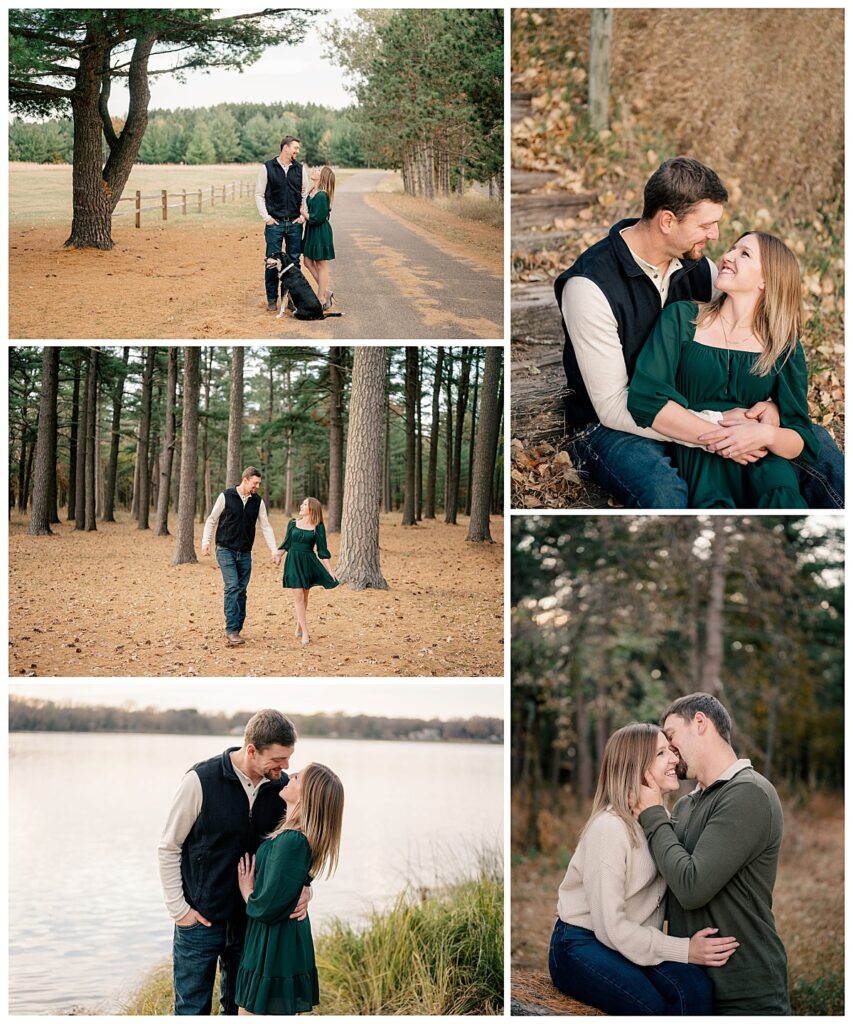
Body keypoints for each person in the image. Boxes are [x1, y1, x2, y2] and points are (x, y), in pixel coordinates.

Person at [554, 156, 844, 508]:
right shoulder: (589, 287)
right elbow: (614, 406)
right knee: (664, 492)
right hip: (612, 424)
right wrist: (720, 428)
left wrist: (771, 409)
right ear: (667, 221)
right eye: (707, 225)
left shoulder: (698, 268)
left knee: (822, 450)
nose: (716, 236)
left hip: (689, 406)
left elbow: (744, 319)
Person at [549, 723, 734, 1014]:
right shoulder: (610, 828)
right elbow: (611, 928)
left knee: (696, 990)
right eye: (662, 753)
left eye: (671, 750)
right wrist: (684, 949)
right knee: (650, 1008)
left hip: (630, 941)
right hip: (583, 943)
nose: (674, 758)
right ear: (636, 767)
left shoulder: (658, 822)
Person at [627, 232, 816, 506]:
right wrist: (726, 435)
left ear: (767, 280)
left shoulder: (783, 346)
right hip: (702, 457)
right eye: (732, 249)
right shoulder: (681, 318)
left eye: (745, 254)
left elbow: (801, 438)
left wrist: (765, 434)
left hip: (764, 463)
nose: (727, 256)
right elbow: (646, 400)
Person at [635, 693, 789, 1015]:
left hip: (744, 994)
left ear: (701, 723)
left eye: (671, 736)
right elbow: (665, 885)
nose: (670, 753)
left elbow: (691, 887)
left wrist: (652, 814)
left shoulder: (749, 792)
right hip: (689, 989)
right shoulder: (686, 804)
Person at [158, 710, 311, 1016]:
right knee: (191, 1009)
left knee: (238, 1009)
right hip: (200, 921)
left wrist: (305, 885)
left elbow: (296, 842)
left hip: (250, 924)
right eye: (279, 759)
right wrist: (180, 910)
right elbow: (168, 847)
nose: (286, 767)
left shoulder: (281, 789)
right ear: (252, 750)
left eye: (289, 757)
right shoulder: (201, 780)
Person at [235, 763, 344, 1015]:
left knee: (251, 1014)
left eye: (298, 777)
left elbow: (266, 907)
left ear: (308, 796)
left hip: (274, 941)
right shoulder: (292, 835)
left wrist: (246, 888)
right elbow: (294, 881)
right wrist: (306, 889)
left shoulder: (293, 841)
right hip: (274, 935)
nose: (291, 775)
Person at [202, 467, 280, 646]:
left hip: (245, 552)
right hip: (225, 549)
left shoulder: (258, 502)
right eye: (255, 483)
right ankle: (231, 630)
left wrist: (274, 550)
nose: (257, 487)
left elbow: (266, 526)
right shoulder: (226, 496)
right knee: (232, 587)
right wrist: (205, 542)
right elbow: (212, 520)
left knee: (241, 591)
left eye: (259, 483)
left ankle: (238, 626)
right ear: (245, 480)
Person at [256, 135, 309, 312]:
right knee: (272, 262)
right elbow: (259, 194)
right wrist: (266, 218)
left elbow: (305, 195)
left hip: (295, 224)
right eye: (295, 148)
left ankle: (292, 299)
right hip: (275, 224)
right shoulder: (267, 167)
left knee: (294, 262)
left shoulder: (300, 169)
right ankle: (272, 299)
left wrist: (302, 217)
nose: (297, 151)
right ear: (285, 148)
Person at [276, 497, 339, 647]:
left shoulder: (318, 527)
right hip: (293, 562)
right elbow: (286, 543)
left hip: (308, 563)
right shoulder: (292, 524)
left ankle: (299, 623)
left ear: (312, 509)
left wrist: (330, 571)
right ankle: (305, 632)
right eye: (302, 503)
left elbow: (322, 551)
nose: (301, 506)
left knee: (304, 596)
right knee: (298, 596)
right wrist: (278, 555)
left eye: (305, 504)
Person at [302, 165, 336, 310]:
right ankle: (326, 292)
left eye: (319, 171)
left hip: (320, 232)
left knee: (321, 264)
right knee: (307, 261)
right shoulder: (312, 191)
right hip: (311, 231)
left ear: (322, 177)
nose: (315, 171)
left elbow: (317, 218)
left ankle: (321, 297)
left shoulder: (322, 195)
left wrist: (302, 213)